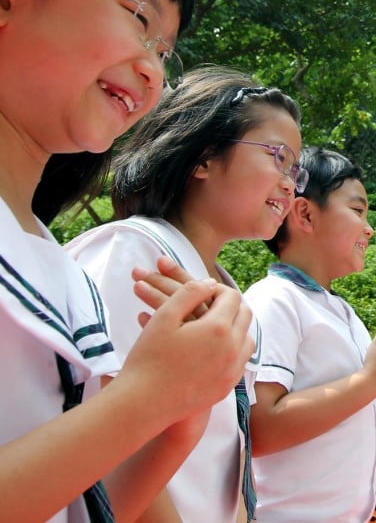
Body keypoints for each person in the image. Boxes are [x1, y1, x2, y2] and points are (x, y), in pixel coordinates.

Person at [0, 0, 255, 522]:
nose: (153, 72)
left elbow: (86, 503)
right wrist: (144, 396)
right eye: (138, 17)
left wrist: (178, 414)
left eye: (166, 52)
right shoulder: (118, 257)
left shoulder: (64, 272)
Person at [66, 66, 305, 522]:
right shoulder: (133, 253)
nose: (289, 182)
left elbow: (223, 455)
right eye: (277, 156)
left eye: (296, 169)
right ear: (204, 157)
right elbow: (103, 438)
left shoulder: (224, 289)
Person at [246, 147, 376, 522]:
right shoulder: (274, 300)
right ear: (305, 213)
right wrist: (369, 380)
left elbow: (372, 433)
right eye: (358, 211)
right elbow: (260, 428)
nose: (370, 227)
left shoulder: (343, 314)